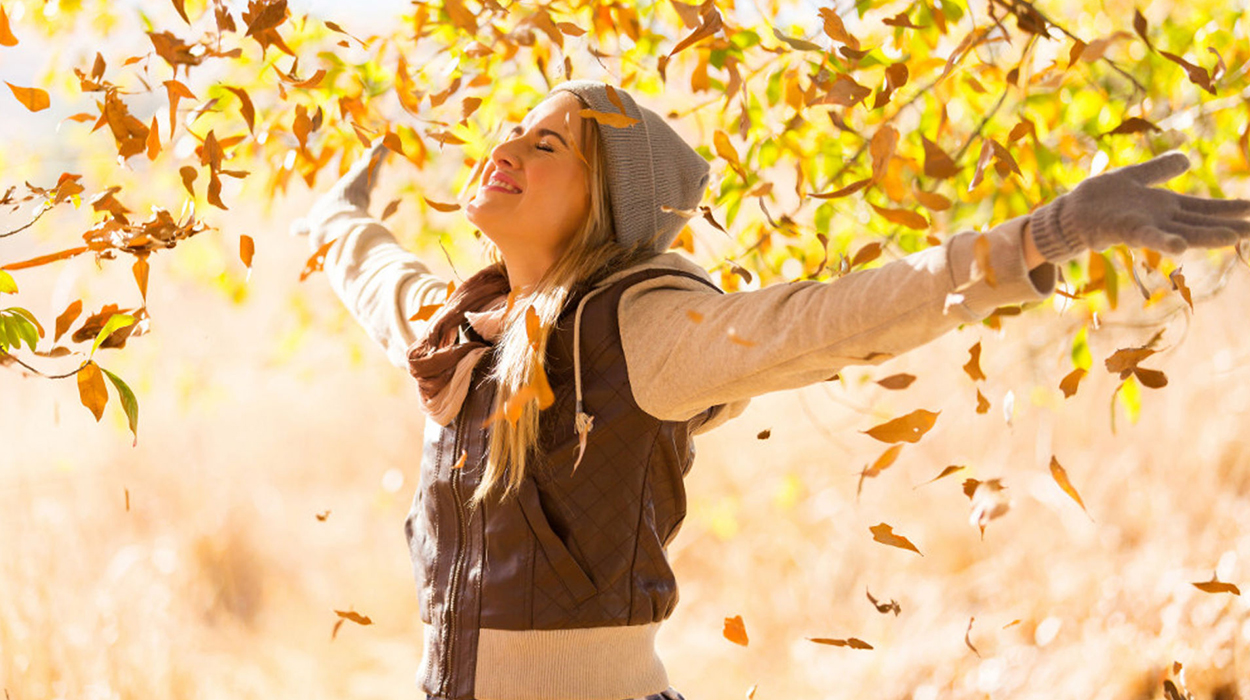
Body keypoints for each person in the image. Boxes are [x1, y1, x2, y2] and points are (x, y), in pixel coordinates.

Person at [294, 80, 1250, 700]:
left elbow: (826, 318)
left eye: (549, 147)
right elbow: (370, 267)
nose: (507, 147)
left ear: (606, 203)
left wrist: (1042, 237)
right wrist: (335, 210)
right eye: (515, 130)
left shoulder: (641, 328)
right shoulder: (459, 326)